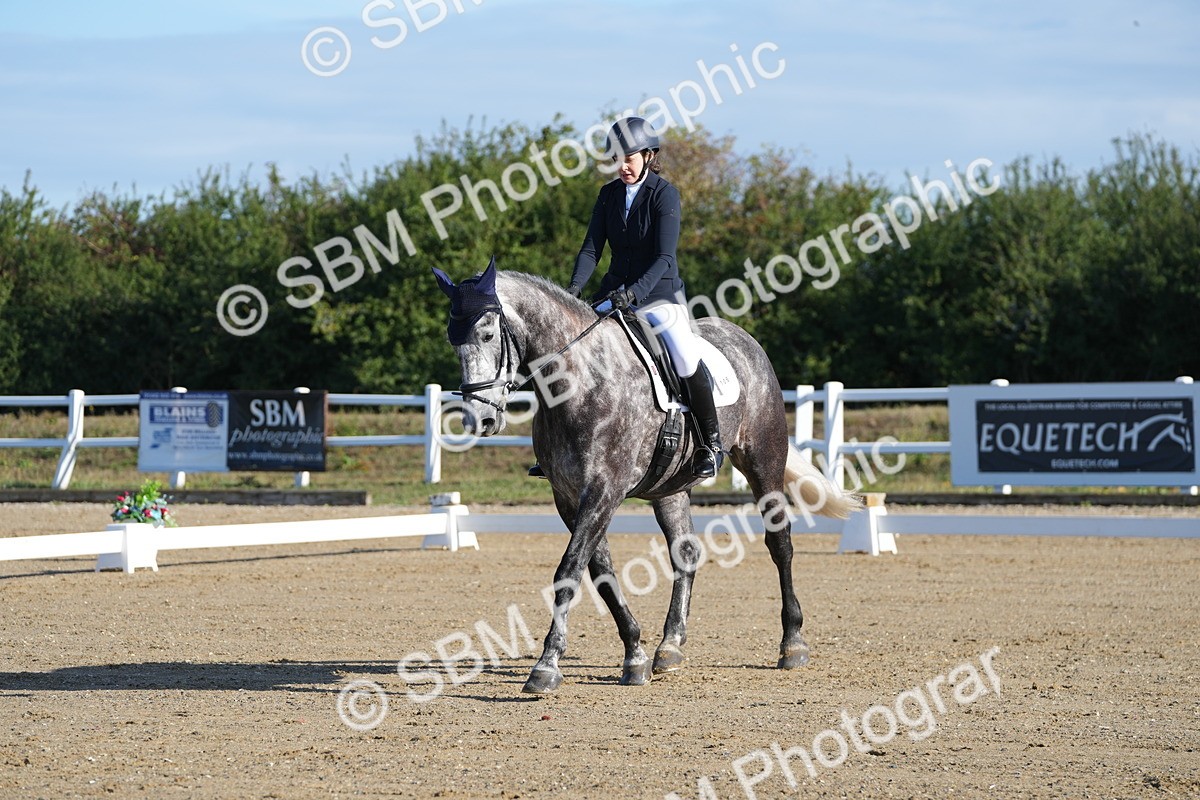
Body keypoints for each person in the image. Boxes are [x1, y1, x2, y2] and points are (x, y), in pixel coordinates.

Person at [528, 116, 723, 480]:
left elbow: (664, 257)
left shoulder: (664, 195)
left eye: (628, 158)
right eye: (616, 159)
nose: (622, 166)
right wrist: (572, 291)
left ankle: (710, 443)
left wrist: (635, 293)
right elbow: (591, 250)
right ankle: (554, 448)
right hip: (614, 292)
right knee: (567, 350)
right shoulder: (608, 195)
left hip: (658, 294)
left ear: (648, 155)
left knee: (682, 354)